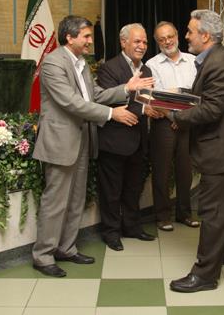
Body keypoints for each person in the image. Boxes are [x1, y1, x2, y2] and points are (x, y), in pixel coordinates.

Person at [31, 16, 153, 277]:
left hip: (83, 141)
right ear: (69, 37)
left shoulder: (82, 64)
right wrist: (111, 114)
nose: (90, 41)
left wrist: (127, 88)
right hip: (61, 143)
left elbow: (95, 95)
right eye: (86, 36)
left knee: (76, 200)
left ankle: (66, 248)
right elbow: (71, 102)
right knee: (55, 202)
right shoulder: (53, 62)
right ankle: (43, 256)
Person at [162, 10, 224, 293]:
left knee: (213, 211)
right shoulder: (215, 58)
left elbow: (212, 109)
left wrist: (175, 115)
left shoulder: (217, 63)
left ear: (205, 36)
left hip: (222, 151)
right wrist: (182, 96)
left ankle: (204, 275)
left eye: (190, 31)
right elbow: (208, 98)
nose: (186, 36)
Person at [96, 23, 156, 251]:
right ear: (123, 42)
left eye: (145, 42)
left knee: (133, 188)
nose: (142, 46)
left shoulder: (147, 70)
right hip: (114, 141)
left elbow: (145, 101)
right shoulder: (109, 68)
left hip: (139, 140)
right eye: (137, 41)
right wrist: (139, 104)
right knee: (111, 191)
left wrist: (154, 106)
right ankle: (111, 232)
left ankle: (132, 227)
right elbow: (104, 100)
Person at [146, 21, 199, 232]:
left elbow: (196, 93)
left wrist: (183, 118)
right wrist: (173, 117)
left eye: (170, 36)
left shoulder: (193, 61)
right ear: (157, 42)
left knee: (185, 171)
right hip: (163, 124)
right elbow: (155, 97)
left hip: (188, 122)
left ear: (177, 35)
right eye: (162, 39)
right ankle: (162, 216)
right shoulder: (151, 64)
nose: (167, 41)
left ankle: (184, 214)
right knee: (162, 171)